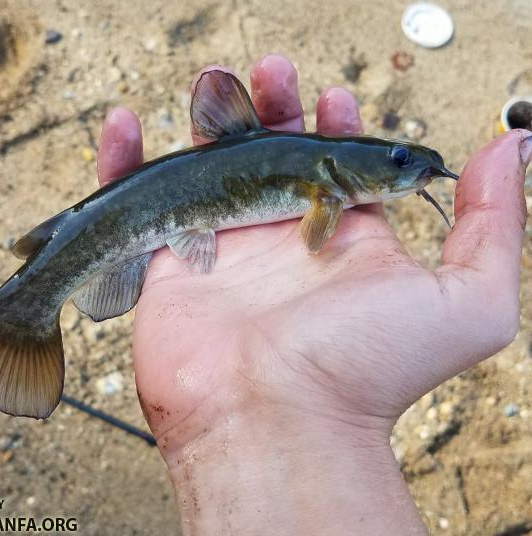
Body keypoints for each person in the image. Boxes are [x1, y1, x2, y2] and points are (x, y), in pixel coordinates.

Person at [97, 54, 531, 535]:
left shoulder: (331, 183)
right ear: (332, 169)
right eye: (399, 158)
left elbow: (315, 236)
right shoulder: (325, 186)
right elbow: (314, 237)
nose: (407, 164)